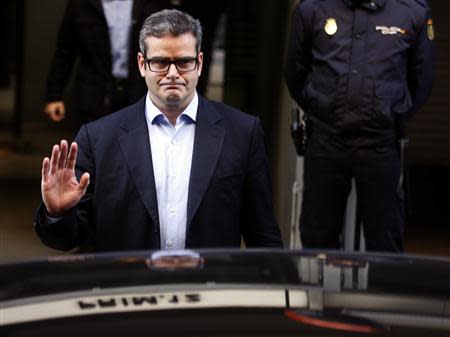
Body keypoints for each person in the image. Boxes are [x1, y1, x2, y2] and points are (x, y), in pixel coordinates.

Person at [34, 9, 283, 252]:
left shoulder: (242, 133)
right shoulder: (99, 139)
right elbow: (66, 239)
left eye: (184, 62)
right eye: (161, 62)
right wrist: (57, 212)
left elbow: (262, 235)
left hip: (208, 289)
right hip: (129, 290)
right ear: (142, 64)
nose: (173, 74)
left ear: (199, 63)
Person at [285, 0, 434, 252]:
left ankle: (379, 292)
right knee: (317, 235)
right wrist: (321, 105)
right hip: (326, 140)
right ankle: (323, 292)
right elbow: (294, 73)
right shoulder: (312, 8)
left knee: (385, 238)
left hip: (380, 144)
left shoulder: (412, 11)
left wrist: (391, 113)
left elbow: (422, 80)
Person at [44, 0, 167, 125]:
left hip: (139, 92)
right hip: (94, 93)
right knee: (95, 141)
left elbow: (168, 48)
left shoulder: (150, 4)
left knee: (137, 141)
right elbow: (65, 50)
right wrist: (54, 95)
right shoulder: (81, 4)